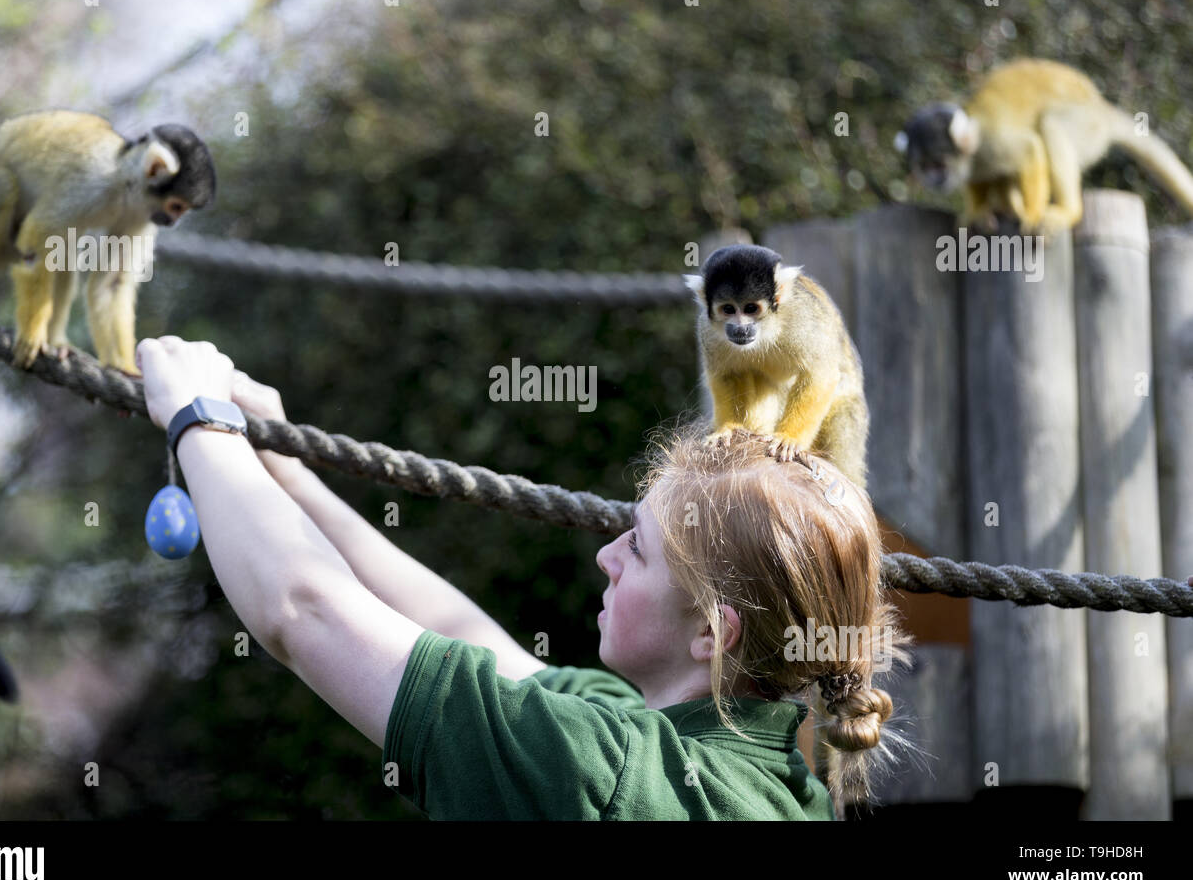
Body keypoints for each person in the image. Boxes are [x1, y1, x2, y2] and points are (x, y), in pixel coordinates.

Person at [135, 335, 915, 820]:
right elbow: (466, 639)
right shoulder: (754, 772)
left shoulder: (603, 773)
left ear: (712, 632)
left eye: (636, 551)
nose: (605, 558)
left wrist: (198, 420)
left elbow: (302, 612)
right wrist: (292, 478)